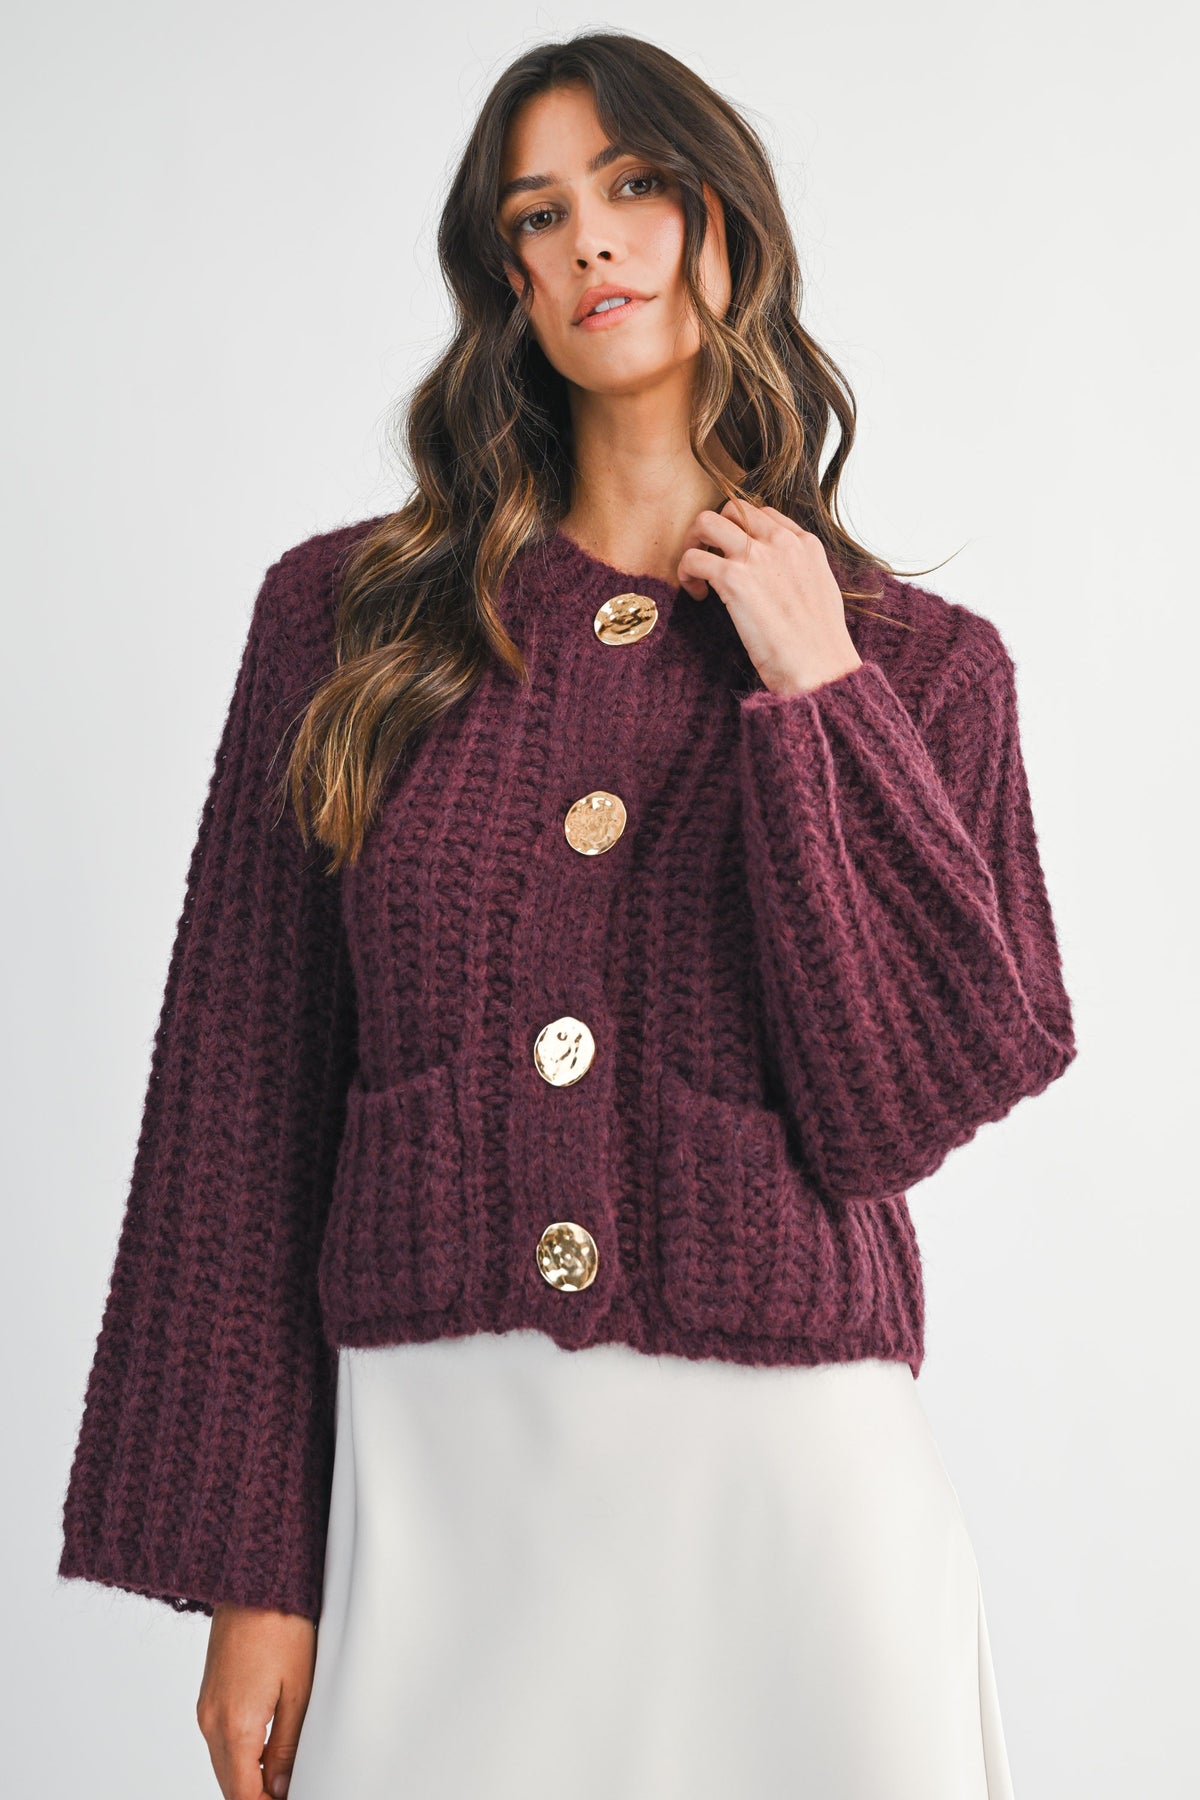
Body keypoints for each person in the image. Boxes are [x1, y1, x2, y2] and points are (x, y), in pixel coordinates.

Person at [57, 30, 1078, 1800]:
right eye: (540, 213)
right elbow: (238, 1107)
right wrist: (251, 1573)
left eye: (636, 188)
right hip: (442, 1497)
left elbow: (901, 1107)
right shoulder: (346, 623)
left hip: (791, 1506)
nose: (592, 239)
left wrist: (819, 690)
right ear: (508, 277)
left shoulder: (919, 668)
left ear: (724, 224)